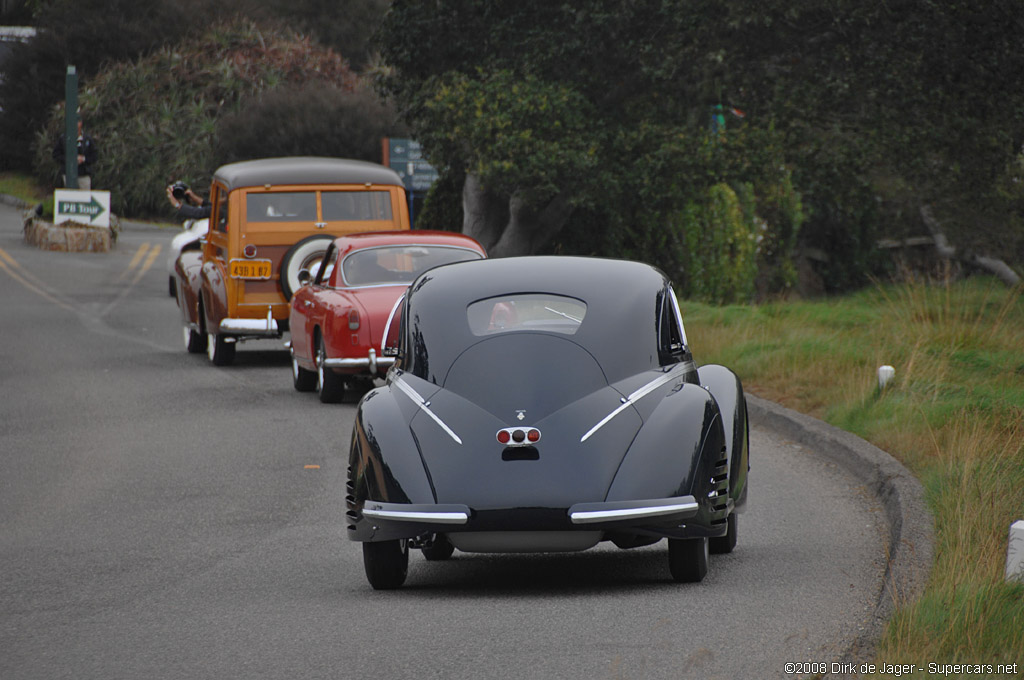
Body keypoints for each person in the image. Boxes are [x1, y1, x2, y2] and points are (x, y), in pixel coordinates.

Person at [52, 113, 98, 190]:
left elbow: (94, 155)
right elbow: (56, 155)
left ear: (81, 123)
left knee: (85, 198)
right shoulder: (63, 138)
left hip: (84, 174)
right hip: (68, 175)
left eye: (78, 122)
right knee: (70, 198)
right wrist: (70, 159)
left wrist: (83, 159)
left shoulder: (87, 139)